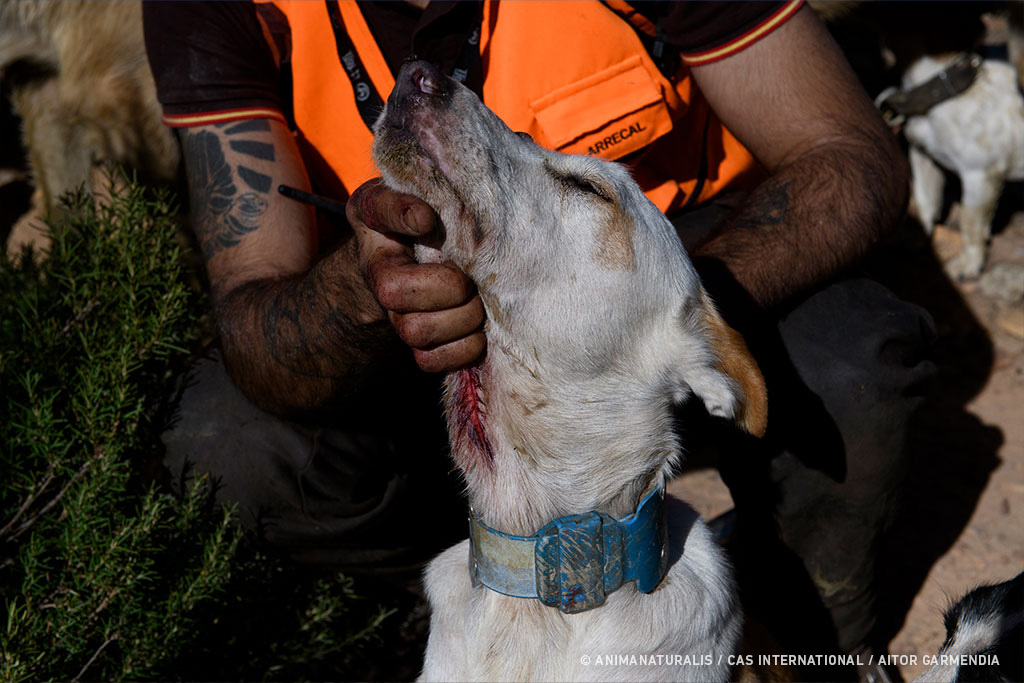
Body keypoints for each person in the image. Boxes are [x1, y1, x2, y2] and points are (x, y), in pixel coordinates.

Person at [144, 1, 934, 677]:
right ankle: (476, 584)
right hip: (398, 329)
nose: (417, 87)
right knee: (224, 440)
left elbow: (850, 153)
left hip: (686, 261)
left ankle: (804, 641)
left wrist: (676, 308)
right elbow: (251, 310)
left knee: (848, 367)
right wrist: (360, 289)